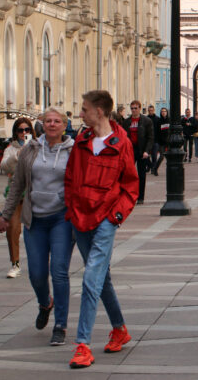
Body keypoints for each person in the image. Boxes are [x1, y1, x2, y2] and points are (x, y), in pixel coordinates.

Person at [64, 90, 138, 368]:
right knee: (101, 279)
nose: (80, 114)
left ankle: (82, 344)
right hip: (80, 218)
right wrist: (71, 209)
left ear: (100, 112)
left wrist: (115, 216)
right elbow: (70, 177)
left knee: (90, 278)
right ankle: (119, 329)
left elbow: (131, 186)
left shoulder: (121, 144)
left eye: (84, 109)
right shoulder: (82, 140)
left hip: (105, 219)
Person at [0, 108, 75, 346]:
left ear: (64, 125)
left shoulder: (74, 151)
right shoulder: (30, 149)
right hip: (35, 220)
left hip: (61, 218)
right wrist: (5, 216)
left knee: (59, 272)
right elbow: (17, 184)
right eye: (47, 121)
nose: (51, 124)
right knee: (37, 273)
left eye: (56, 121)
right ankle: (44, 302)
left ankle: (60, 324)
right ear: (42, 125)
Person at [0, 117, 34, 278]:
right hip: (16, 193)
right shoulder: (11, 149)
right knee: (13, 228)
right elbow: (4, 167)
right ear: (15, 132)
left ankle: (40, 262)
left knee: (36, 229)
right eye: (20, 130)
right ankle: (15, 263)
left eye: (27, 130)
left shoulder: (38, 146)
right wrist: (17, 156)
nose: (24, 133)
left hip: (33, 194)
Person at [121, 100, 153, 205]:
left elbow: (150, 137)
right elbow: (123, 137)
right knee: (128, 174)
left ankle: (140, 197)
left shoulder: (146, 121)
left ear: (139, 108)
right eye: (132, 108)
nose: (134, 110)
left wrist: (146, 151)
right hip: (130, 150)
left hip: (141, 150)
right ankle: (129, 195)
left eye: (135, 108)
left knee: (141, 174)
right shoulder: (126, 122)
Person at [152, 107, 170, 175]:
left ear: (166, 112)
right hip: (161, 142)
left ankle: (170, 170)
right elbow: (157, 132)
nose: (163, 112)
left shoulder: (169, 120)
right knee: (161, 157)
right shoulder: (159, 121)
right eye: (162, 111)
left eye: (164, 111)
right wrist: (157, 140)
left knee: (169, 157)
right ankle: (155, 169)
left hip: (169, 142)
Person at [146, 105, 159, 171]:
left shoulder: (157, 119)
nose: (150, 112)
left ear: (154, 110)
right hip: (147, 140)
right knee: (146, 155)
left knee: (154, 155)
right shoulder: (146, 119)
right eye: (149, 110)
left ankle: (154, 168)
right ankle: (150, 166)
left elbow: (159, 130)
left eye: (151, 110)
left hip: (155, 139)